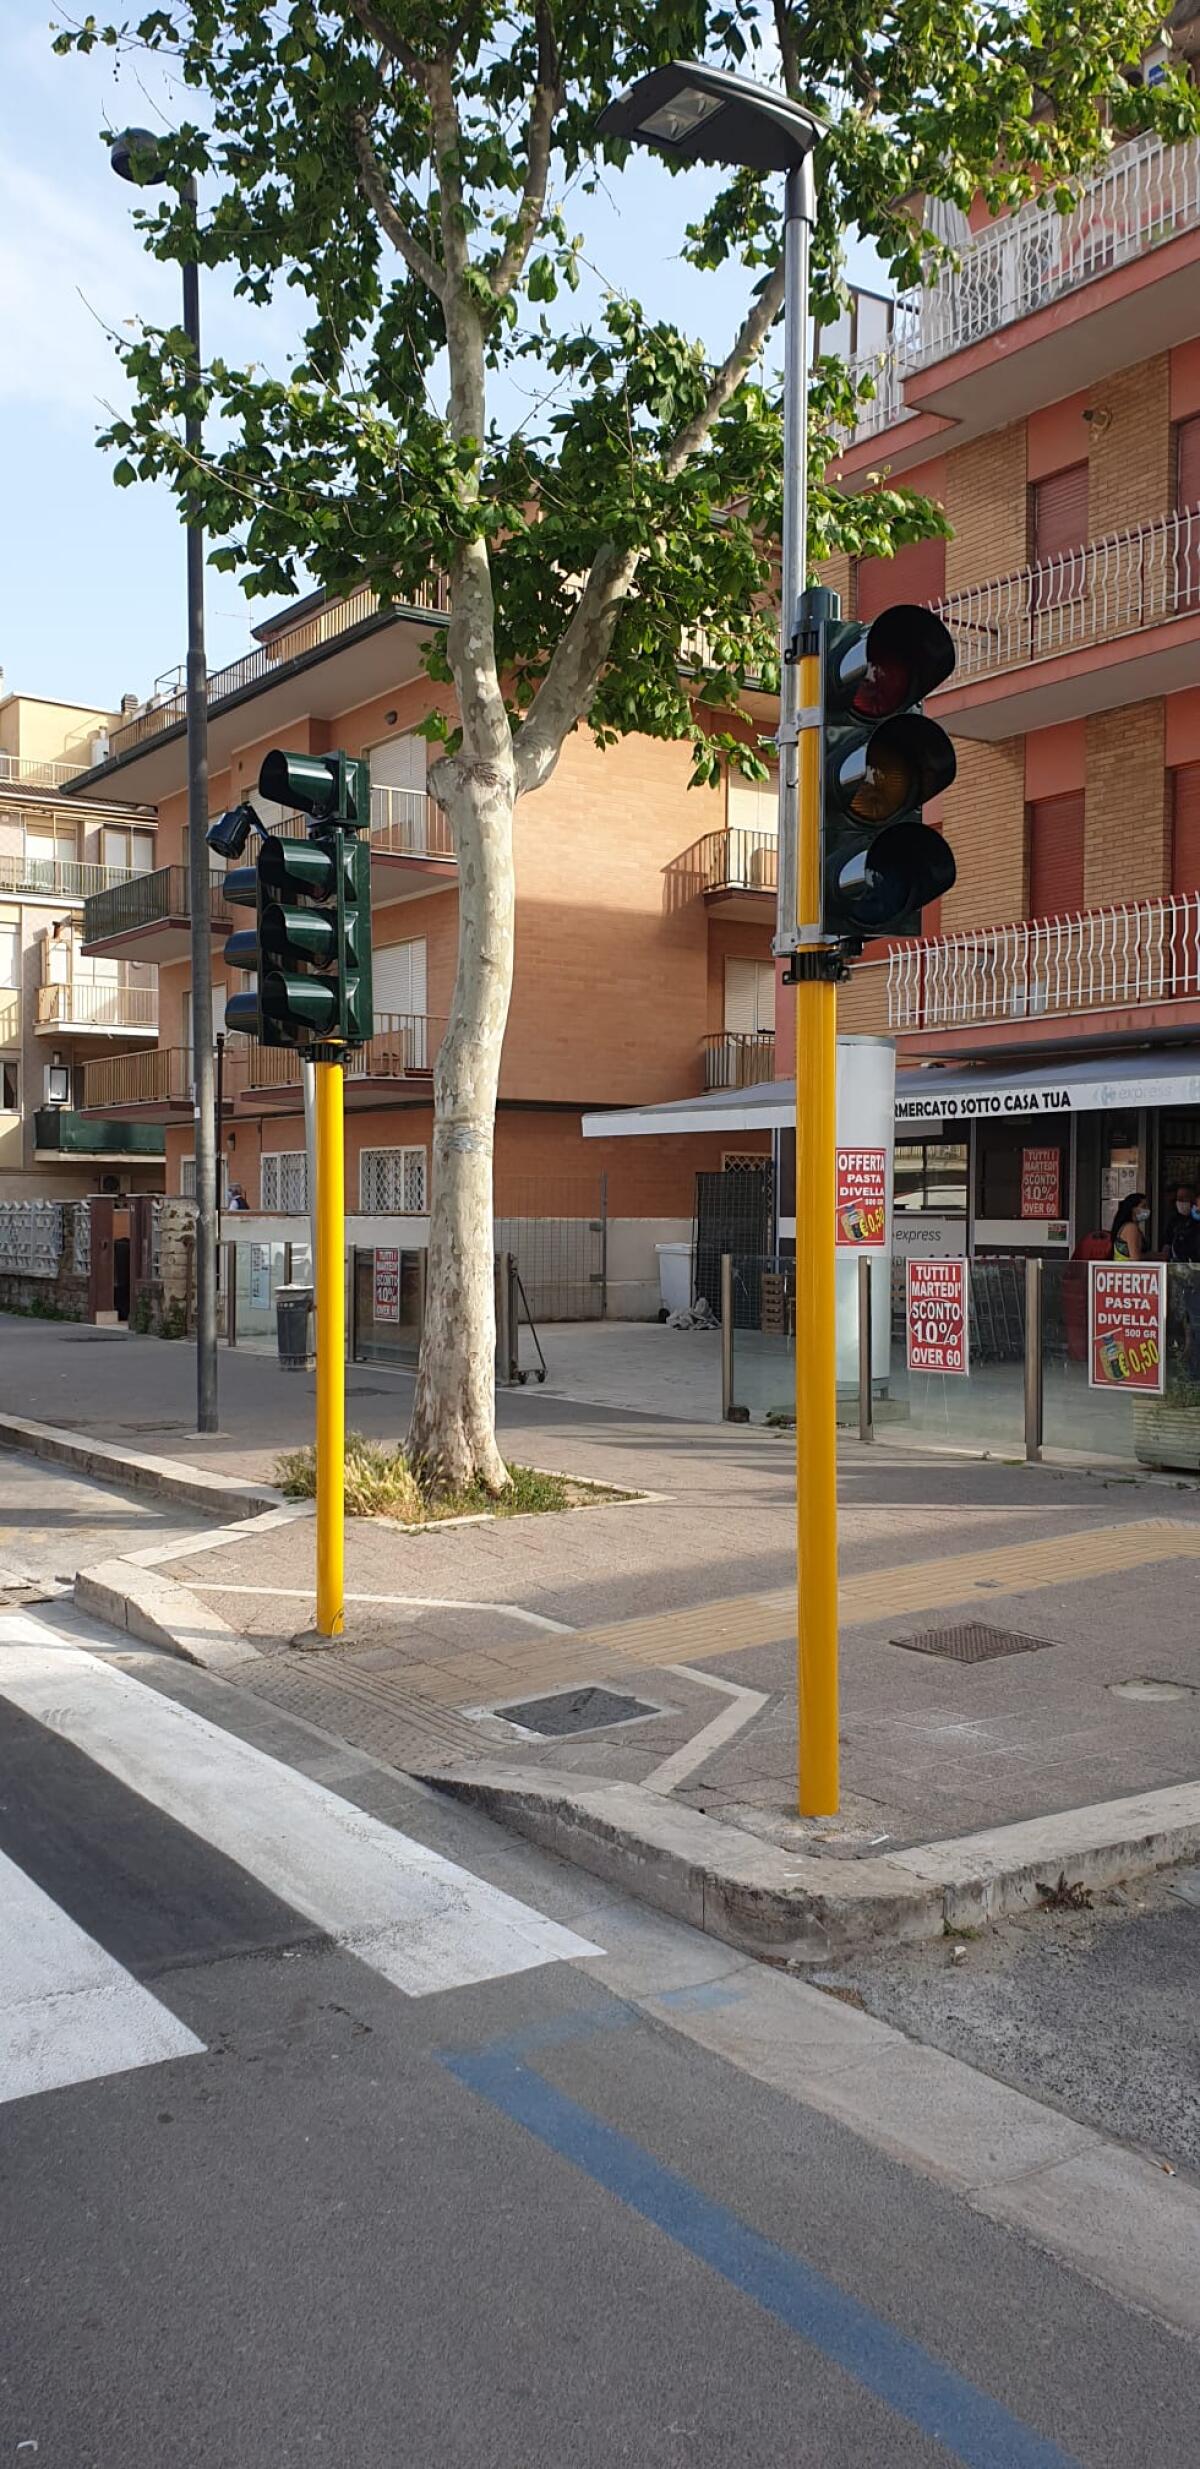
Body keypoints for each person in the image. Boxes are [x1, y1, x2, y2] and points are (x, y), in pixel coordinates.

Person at [1161, 1182, 1196, 1261]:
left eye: (1184, 1198)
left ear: (1193, 1200)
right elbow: (1167, 1242)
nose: (1180, 1201)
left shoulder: (1196, 1219)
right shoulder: (1174, 1220)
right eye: (1178, 1198)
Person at [1110, 1191, 1150, 1260]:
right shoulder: (1131, 1228)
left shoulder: (1128, 1226)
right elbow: (1135, 1257)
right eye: (1143, 1206)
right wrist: (1154, 1256)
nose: (1147, 1209)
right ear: (1133, 1209)